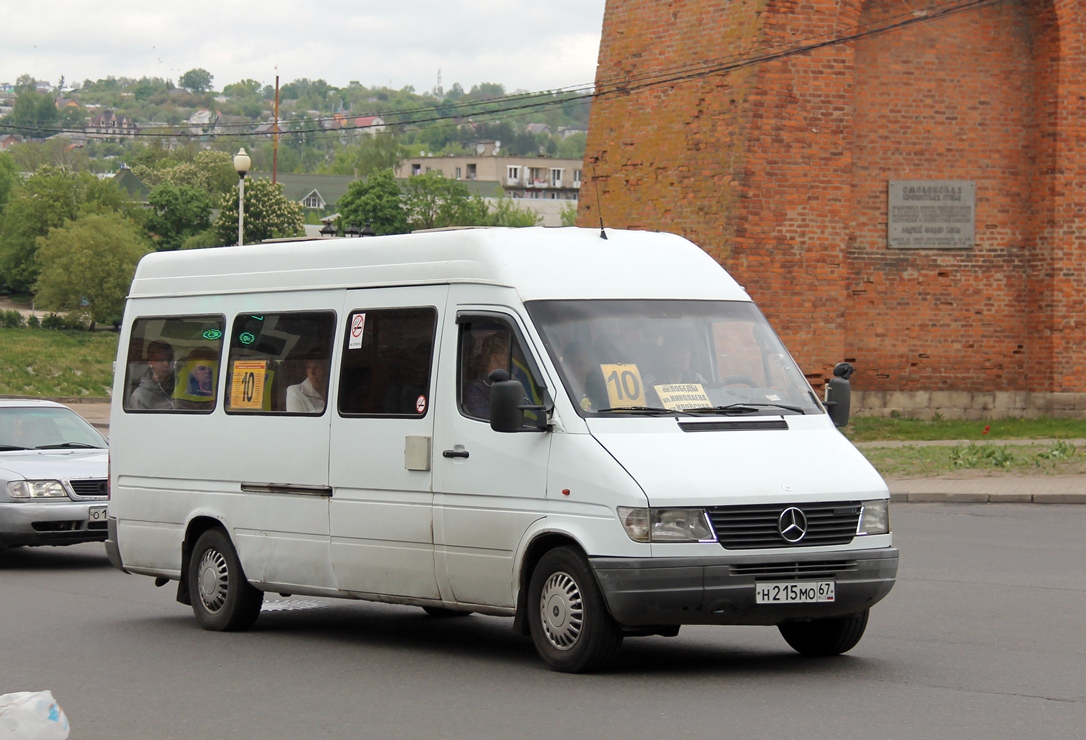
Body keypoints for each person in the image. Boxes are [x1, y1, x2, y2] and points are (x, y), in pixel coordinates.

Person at [463, 332, 510, 418]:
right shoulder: (476, 389)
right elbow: (485, 420)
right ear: (495, 357)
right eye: (509, 356)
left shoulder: (511, 382)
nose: (514, 361)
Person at [129, 340, 176, 410]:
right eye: (161, 360)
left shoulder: (180, 386)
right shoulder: (139, 396)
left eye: (169, 360)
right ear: (150, 362)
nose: (166, 364)